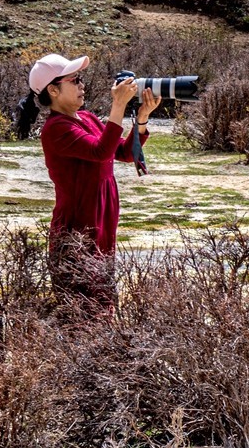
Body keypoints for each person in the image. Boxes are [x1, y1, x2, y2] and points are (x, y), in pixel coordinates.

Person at [24, 53, 161, 313]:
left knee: (104, 294)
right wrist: (117, 106)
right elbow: (100, 151)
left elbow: (123, 153)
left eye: (81, 79)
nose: (81, 85)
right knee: (84, 300)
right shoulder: (56, 128)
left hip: (103, 215)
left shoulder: (85, 118)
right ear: (53, 90)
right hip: (79, 221)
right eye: (74, 80)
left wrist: (142, 118)